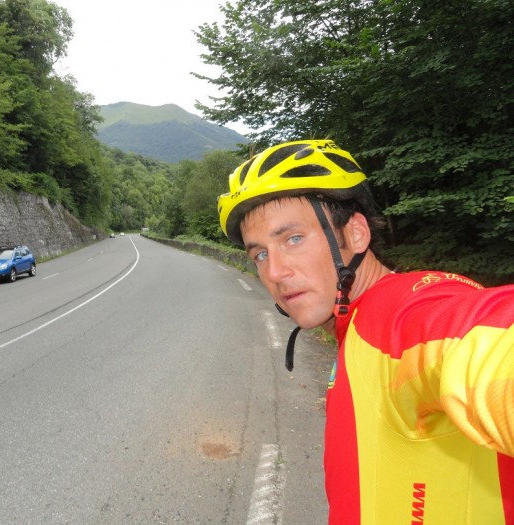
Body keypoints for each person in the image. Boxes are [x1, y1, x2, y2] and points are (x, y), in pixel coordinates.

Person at [217, 139, 514, 524]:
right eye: (259, 254)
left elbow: (483, 348)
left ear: (356, 234)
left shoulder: (399, 317)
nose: (274, 272)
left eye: (293, 239)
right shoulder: (354, 329)